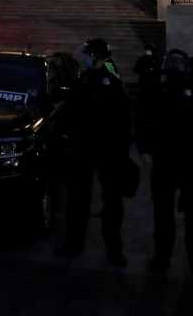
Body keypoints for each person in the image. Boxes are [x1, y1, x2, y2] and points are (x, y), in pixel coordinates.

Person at [138, 49, 193, 286]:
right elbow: (144, 120)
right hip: (165, 160)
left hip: (190, 161)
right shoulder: (157, 91)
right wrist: (144, 149)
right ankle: (164, 256)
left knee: (192, 216)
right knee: (164, 214)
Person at [55, 38, 132, 266]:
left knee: (92, 199)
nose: (84, 57)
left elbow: (71, 114)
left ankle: (87, 245)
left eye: (87, 54)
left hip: (94, 148)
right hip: (96, 148)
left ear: (94, 57)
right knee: (95, 199)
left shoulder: (96, 82)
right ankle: (105, 247)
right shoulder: (99, 81)